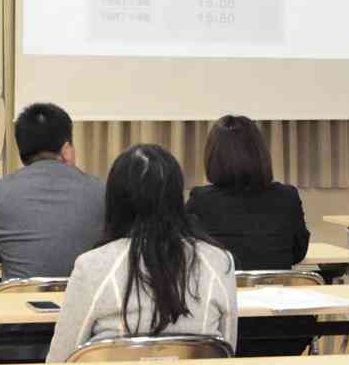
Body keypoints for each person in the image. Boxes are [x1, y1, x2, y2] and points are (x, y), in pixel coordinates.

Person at [47, 144, 237, 363]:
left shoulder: (91, 266)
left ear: (115, 200)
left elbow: (61, 359)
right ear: (176, 197)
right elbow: (227, 352)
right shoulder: (219, 261)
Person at [0, 102, 107, 364]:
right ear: (67, 149)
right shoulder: (100, 191)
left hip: (12, 346)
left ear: (21, 149)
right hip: (83, 346)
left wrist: (11, 247)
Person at [186, 114, 311, 356]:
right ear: (261, 155)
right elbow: (298, 252)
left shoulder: (200, 200)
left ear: (212, 157)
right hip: (284, 329)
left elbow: (191, 259)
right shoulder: (287, 196)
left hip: (220, 327)